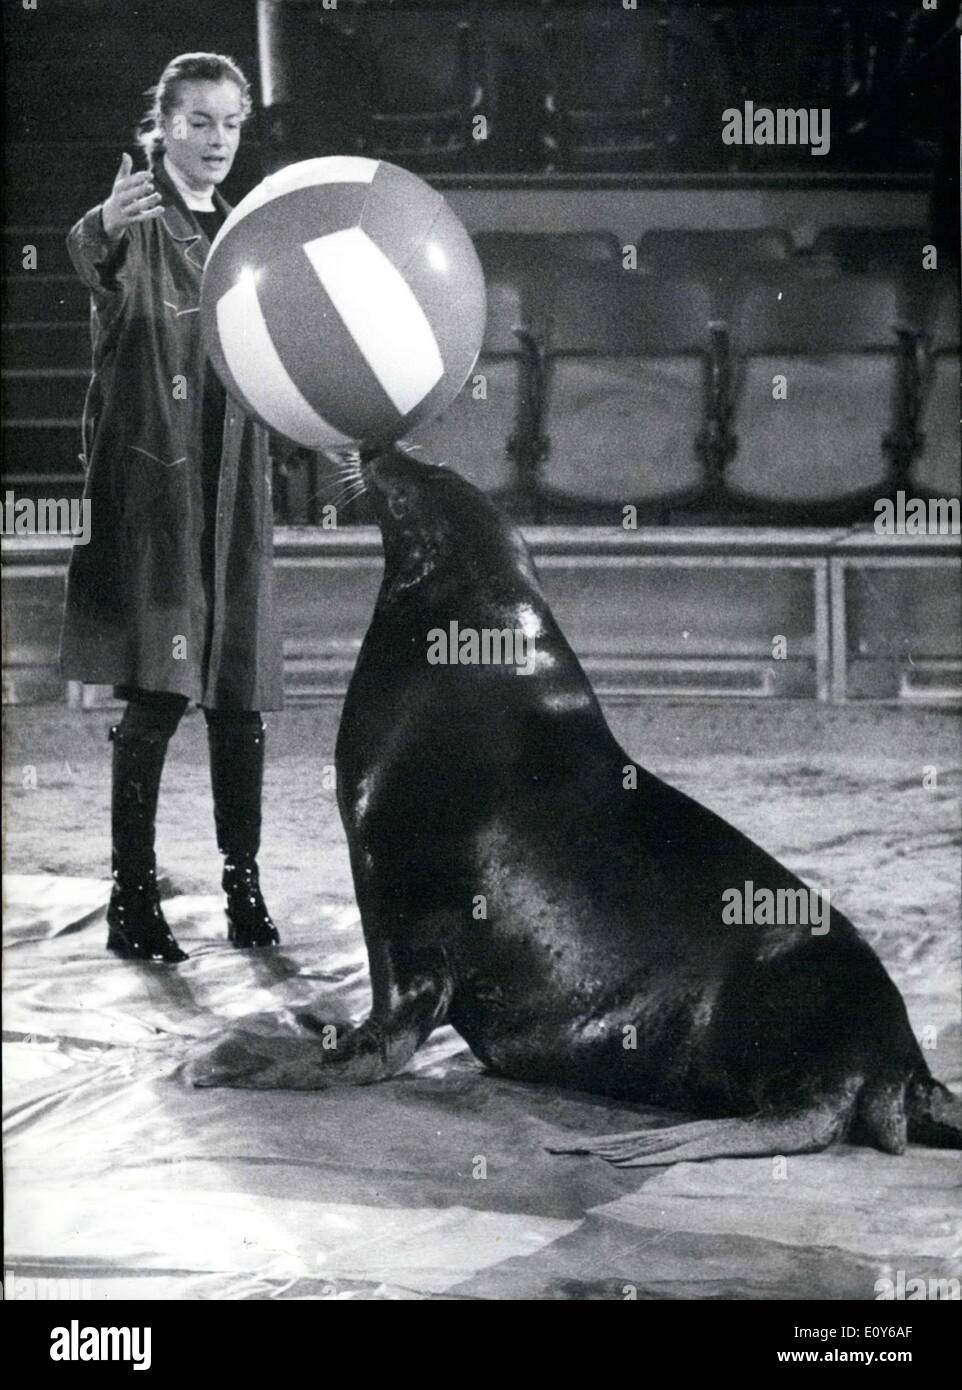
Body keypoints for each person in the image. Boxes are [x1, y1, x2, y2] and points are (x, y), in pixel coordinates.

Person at [61, 53, 284, 963]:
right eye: (198, 122)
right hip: (159, 489)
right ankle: (132, 900)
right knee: (155, 694)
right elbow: (95, 252)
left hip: (233, 491)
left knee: (239, 700)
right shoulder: (138, 216)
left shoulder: (243, 231)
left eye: (231, 123)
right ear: (164, 126)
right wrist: (106, 225)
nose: (218, 140)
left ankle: (244, 887)